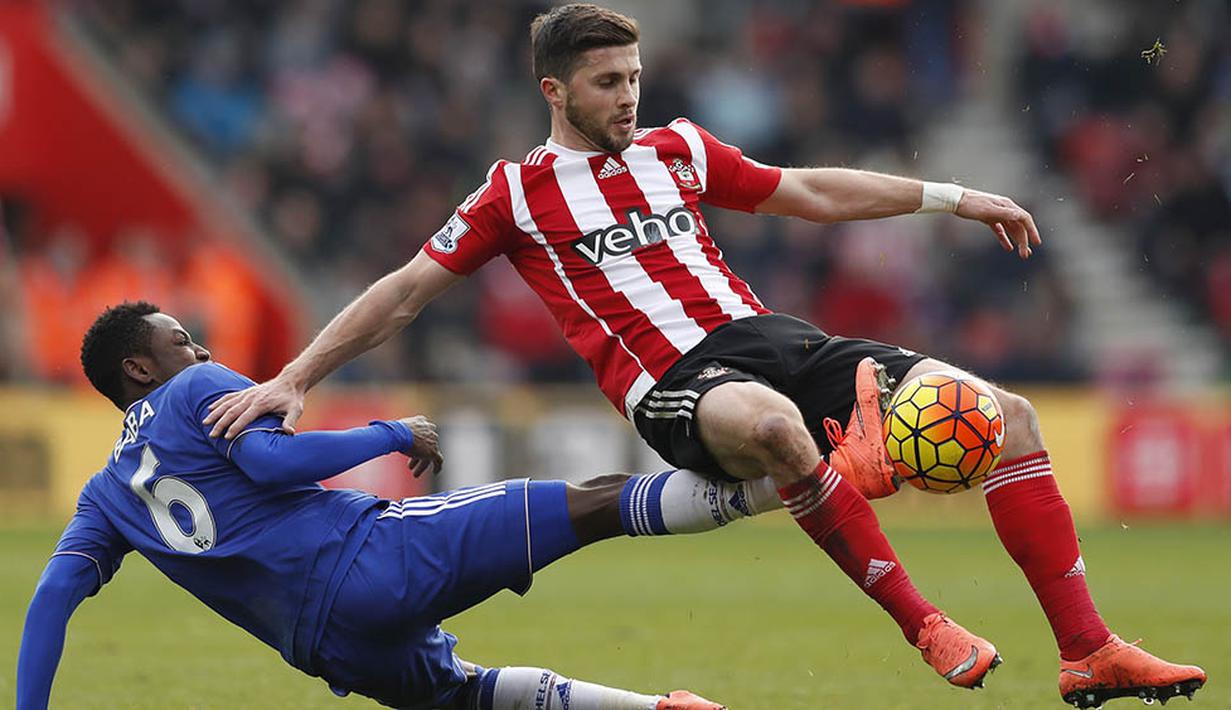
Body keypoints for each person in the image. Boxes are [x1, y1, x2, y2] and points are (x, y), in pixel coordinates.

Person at [203, 5, 1207, 707]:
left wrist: (950, 196)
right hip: (671, 385)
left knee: (1011, 416)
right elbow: (403, 291)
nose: (628, 95)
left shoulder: (677, 148)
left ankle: (1087, 648)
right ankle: (920, 619)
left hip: (776, 340)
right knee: (773, 429)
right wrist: (295, 376)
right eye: (606, 83)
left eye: (634, 76)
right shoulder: (515, 193)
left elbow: (805, 189)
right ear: (555, 89)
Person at [16, 302, 730, 710]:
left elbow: (51, 597)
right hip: (367, 561)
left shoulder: (104, 496)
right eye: (181, 340)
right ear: (139, 368)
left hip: (328, 647)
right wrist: (389, 432)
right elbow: (269, 463)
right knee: (592, 503)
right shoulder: (195, 388)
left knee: (466, 695)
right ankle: (778, 485)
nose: (198, 348)